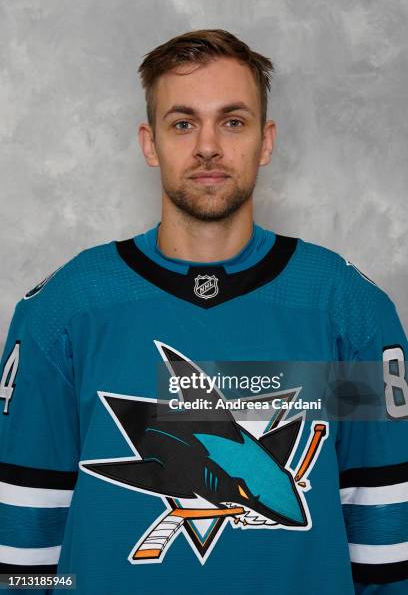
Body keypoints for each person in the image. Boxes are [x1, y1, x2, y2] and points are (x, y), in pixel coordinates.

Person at [0, 29, 407, 595]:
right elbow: (23, 547)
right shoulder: (66, 311)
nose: (208, 146)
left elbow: (384, 542)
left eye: (233, 121)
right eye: (183, 122)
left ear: (266, 142)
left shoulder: (348, 311)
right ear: (150, 143)